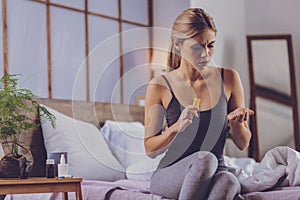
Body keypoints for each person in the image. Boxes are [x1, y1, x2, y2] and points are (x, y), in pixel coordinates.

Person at [144, 8, 254, 200]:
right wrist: (175, 128)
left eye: (211, 46)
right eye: (197, 47)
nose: (206, 54)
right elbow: (150, 150)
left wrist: (236, 124)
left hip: (217, 170)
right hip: (172, 174)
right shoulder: (160, 85)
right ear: (178, 45)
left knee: (229, 181)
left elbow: (243, 143)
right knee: (205, 159)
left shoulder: (228, 78)